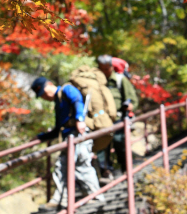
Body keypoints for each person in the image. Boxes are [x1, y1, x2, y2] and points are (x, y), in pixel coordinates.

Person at [31, 76, 105, 211]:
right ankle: (61, 199)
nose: (43, 96)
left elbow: (77, 100)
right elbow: (58, 128)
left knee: (81, 165)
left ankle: (94, 197)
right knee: (61, 166)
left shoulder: (67, 89)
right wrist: (41, 137)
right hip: (69, 138)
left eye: (43, 92)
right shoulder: (58, 102)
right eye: (40, 95)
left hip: (79, 135)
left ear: (50, 84)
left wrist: (79, 119)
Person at [96, 55, 138, 176]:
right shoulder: (97, 83)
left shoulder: (120, 80)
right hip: (102, 120)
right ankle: (106, 172)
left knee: (120, 143)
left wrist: (130, 106)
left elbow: (133, 99)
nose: (104, 71)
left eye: (106, 68)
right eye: (101, 69)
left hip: (119, 119)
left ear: (111, 67)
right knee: (102, 147)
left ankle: (126, 170)